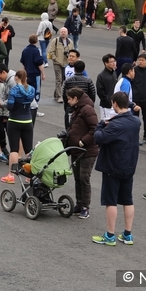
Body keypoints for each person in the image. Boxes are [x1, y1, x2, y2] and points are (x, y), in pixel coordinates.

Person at [91, 92, 141, 246]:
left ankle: (110, 235)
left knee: (111, 200)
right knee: (127, 200)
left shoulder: (115, 124)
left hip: (113, 165)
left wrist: (102, 124)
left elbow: (98, 137)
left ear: (114, 104)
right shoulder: (135, 122)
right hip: (130, 164)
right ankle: (127, 234)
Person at [66, 86, 99, 219]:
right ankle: (80, 204)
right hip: (76, 150)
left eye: (69, 99)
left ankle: (85, 206)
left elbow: (95, 128)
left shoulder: (87, 109)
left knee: (84, 178)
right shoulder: (77, 109)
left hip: (86, 150)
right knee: (77, 178)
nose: (68, 101)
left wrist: (83, 141)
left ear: (76, 98)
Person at [2, 70, 36, 183]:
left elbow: (10, 106)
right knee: (28, 150)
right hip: (27, 120)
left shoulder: (14, 90)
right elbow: (31, 101)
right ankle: (30, 176)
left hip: (15, 120)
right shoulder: (31, 89)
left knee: (14, 149)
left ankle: (11, 176)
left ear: (17, 78)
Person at [48, 27, 73, 103]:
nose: (63, 33)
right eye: (62, 31)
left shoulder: (70, 42)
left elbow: (73, 52)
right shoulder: (55, 41)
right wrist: (55, 59)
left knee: (63, 79)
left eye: (65, 32)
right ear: (59, 33)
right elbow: (51, 51)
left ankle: (56, 93)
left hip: (66, 64)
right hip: (57, 63)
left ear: (67, 33)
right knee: (58, 79)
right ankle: (59, 96)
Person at [95, 54, 119, 121]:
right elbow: (100, 91)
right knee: (106, 123)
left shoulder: (114, 73)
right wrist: (108, 101)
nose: (114, 63)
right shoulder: (101, 76)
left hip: (114, 104)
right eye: (111, 62)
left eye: (114, 61)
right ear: (106, 63)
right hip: (106, 106)